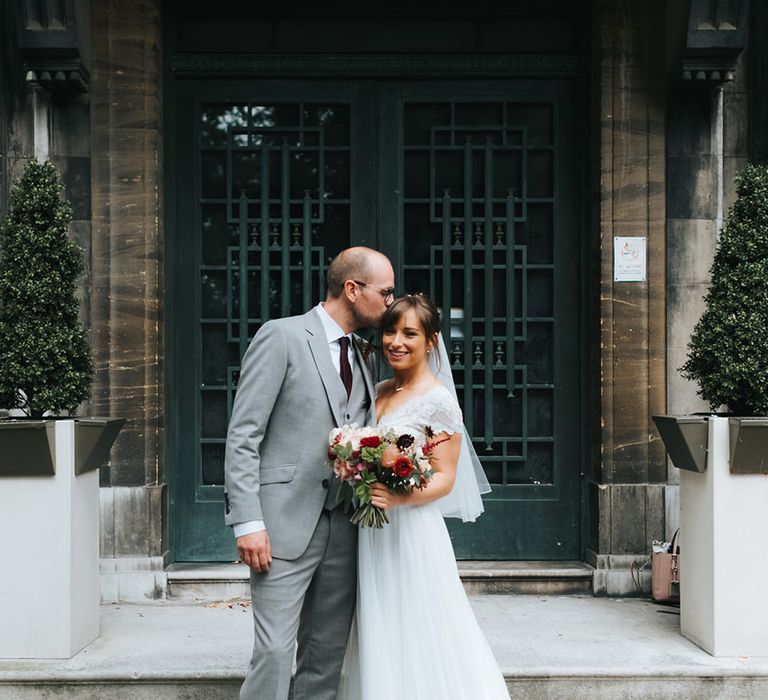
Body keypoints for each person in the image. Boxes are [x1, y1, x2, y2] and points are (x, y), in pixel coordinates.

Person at [224, 246, 396, 700]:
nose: (390, 302)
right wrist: (248, 521)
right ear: (352, 289)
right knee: (275, 652)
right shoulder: (280, 337)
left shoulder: (364, 356)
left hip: (344, 527)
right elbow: (244, 434)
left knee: (325, 657)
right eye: (386, 291)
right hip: (281, 525)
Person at [338, 294, 509, 700]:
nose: (396, 341)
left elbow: (446, 478)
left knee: (417, 621)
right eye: (390, 332)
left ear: (431, 341)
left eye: (409, 333)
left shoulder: (438, 402)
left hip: (411, 531)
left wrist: (398, 499)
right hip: (371, 528)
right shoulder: (377, 389)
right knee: (377, 622)